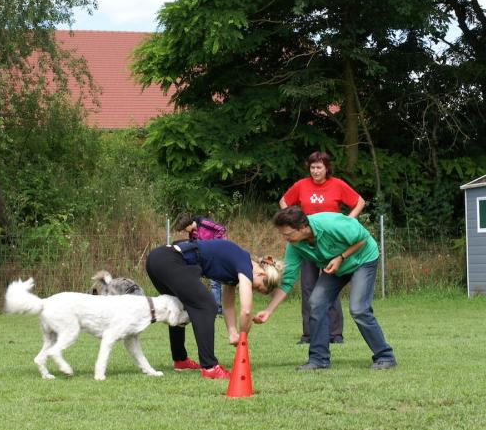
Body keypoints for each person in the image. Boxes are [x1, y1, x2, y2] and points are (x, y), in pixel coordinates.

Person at [254, 206, 396, 371]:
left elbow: (363, 238)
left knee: (358, 309)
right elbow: (288, 281)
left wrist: (341, 257)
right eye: (282, 234)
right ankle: (318, 359)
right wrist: (269, 310)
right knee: (316, 302)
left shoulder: (331, 223)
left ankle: (385, 356)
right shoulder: (294, 246)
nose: (285, 238)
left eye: (288, 234)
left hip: (363, 259)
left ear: (302, 227)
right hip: (336, 268)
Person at [145, 238, 281, 379]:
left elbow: (228, 305)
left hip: (157, 260)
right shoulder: (245, 264)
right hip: (169, 260)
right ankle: (210, 367)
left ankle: (181, 360)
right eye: (257, 287)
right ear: (261, 274)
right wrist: (243, 338)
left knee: (180, 306)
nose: (252, 289)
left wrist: (232, 332)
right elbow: (246, 311)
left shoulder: (236, 269)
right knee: (207, 306)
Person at [279, 151, 366, 346]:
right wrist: (292, 220)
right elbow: (284, 201)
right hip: (307, 243)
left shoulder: (337, 185)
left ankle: (335, 333)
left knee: (330, 286)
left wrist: (348, 221)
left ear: (327, 168)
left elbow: (360, 201)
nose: (315, 171)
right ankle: (309, 334)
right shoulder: (301, 185)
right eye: (312, 167)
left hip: (329, 244)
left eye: (319, 167)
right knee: (308, 287)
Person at [174, 214, 227, 315]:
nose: (185, 231)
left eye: (184, 229)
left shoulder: (204, 223)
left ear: (188, 225)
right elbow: (195, 245)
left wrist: (213, 243)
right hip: (207, 256)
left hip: (218, 252)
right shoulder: (192, 234)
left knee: (215, 283)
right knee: (208, 281)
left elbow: (222, 229)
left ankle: (217, 310)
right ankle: (210, 307)